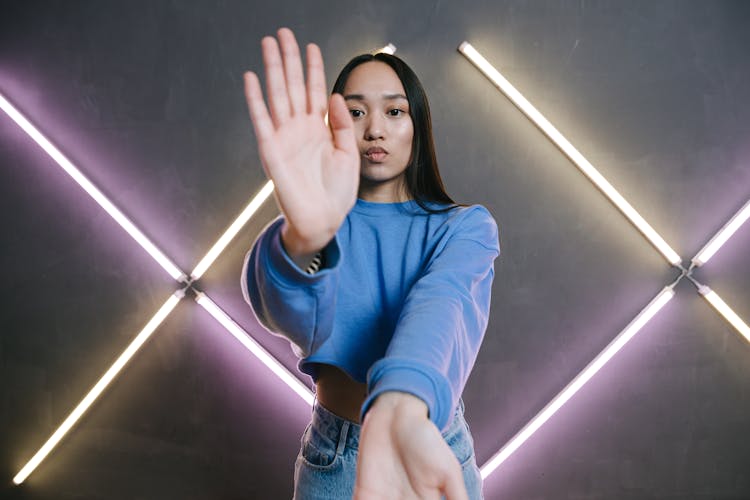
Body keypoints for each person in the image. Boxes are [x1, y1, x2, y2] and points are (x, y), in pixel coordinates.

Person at [241, 27, 499, 500]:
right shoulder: (320, 224)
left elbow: (442, 304)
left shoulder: (465, 227)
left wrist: (400, 406)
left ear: (417, 124)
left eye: (394, 111)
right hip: (335, 457)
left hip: (430, 440)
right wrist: (303, 241)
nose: (374, 129)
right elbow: (288, 312)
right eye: (355, 112)